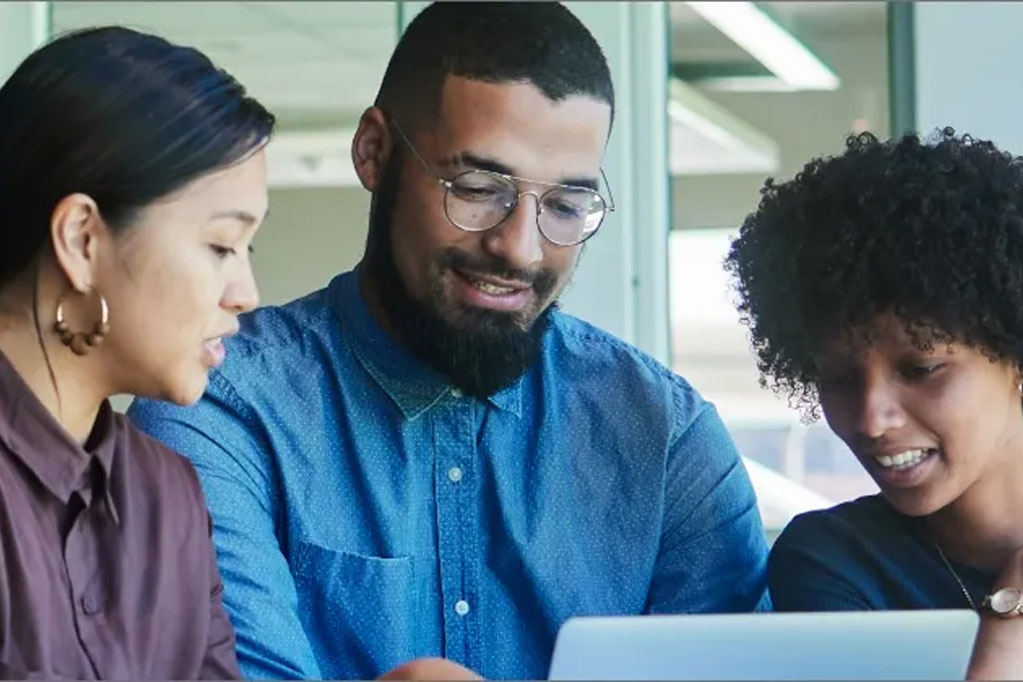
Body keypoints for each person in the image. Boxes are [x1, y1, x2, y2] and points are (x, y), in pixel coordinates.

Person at [128, 3, 769, 679]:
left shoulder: (665, 438)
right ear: (374, 152)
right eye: (477, 188)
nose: (519, 249)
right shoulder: (218, 406)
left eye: (565, 206)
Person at [0, 25, 271, 678]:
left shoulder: (168, 495)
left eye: (247, 250)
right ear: (82, 240)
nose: (246, 295)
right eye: (220, 246)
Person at [725, 128, 1023, 680]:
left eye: (921, 370)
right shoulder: (834, 564)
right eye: (839, 378)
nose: (871, 418)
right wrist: (1010, 620)